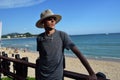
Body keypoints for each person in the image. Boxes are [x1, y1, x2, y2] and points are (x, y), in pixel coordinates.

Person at [35, 9, 97, 80]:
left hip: (56, 77)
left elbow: (78, 53)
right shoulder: (39, 37)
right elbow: (41, 55)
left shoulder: (62, 35)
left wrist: (91, 73)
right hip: (41, 75)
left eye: (54, 19)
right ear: (43, 22)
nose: (53, 21)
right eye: (49, 19)